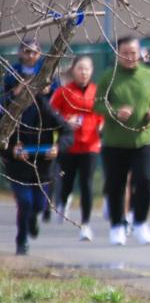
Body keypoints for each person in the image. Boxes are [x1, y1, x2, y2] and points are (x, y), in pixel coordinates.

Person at [94, 36, 150, 247]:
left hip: (142, 139)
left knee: (144, 181)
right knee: (116, 184)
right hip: (115, 142)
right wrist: (114, 112)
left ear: (140, 53)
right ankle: (117, 225)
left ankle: (140, 221)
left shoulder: (148, 74)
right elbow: (96, 104)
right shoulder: (109, 76)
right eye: (125, 53)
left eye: (134, 52)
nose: (130, 57)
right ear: (117, 54)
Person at [2, 54, 67, 254]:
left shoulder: (44, 108)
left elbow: (66, 131)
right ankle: (21, 241)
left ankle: (32, 219)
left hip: (42, 165)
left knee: (39, 205)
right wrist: (11, 149)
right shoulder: (7, 109)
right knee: (25, 202)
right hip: (18, 165)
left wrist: (58, 148)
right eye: (24, 87)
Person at [49, 54, 103, 240]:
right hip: (69, 145)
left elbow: (103, 114)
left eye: (87, 68)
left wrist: (101, 126)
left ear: (92, 71)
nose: (83, 72)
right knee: (68, 181)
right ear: (73, 70)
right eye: (80, 68)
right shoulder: (63, 92)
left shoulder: (98, 92)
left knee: (86, 183)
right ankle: (63, 201)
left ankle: (85, 224)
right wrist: (65, 122)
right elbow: (51, 114)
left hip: (91, 144)